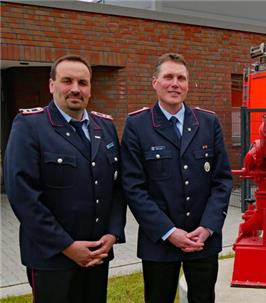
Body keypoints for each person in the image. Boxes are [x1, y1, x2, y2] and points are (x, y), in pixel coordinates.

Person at [4, 54, 125, 303]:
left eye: (83, 83)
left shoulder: (105, 127)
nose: (75, 89)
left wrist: (112, 233)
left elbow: (117, 186)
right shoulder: (30, 126)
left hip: (97, 253)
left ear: (90, 88)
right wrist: (67, 246)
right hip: (52, 258)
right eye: (67, 81)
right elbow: (23, 196)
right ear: (52, 85)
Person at [121, 53, 232, 303]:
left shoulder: (208, 122)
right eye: (168, 77)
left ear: (188, 84)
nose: (175, 83)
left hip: (203, 240)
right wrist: (169, 232)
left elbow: (222, 180)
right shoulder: (137, 125)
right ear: (155, 83)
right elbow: (133, 187)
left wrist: (207, 227)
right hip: (159, 242)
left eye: (181, 78)